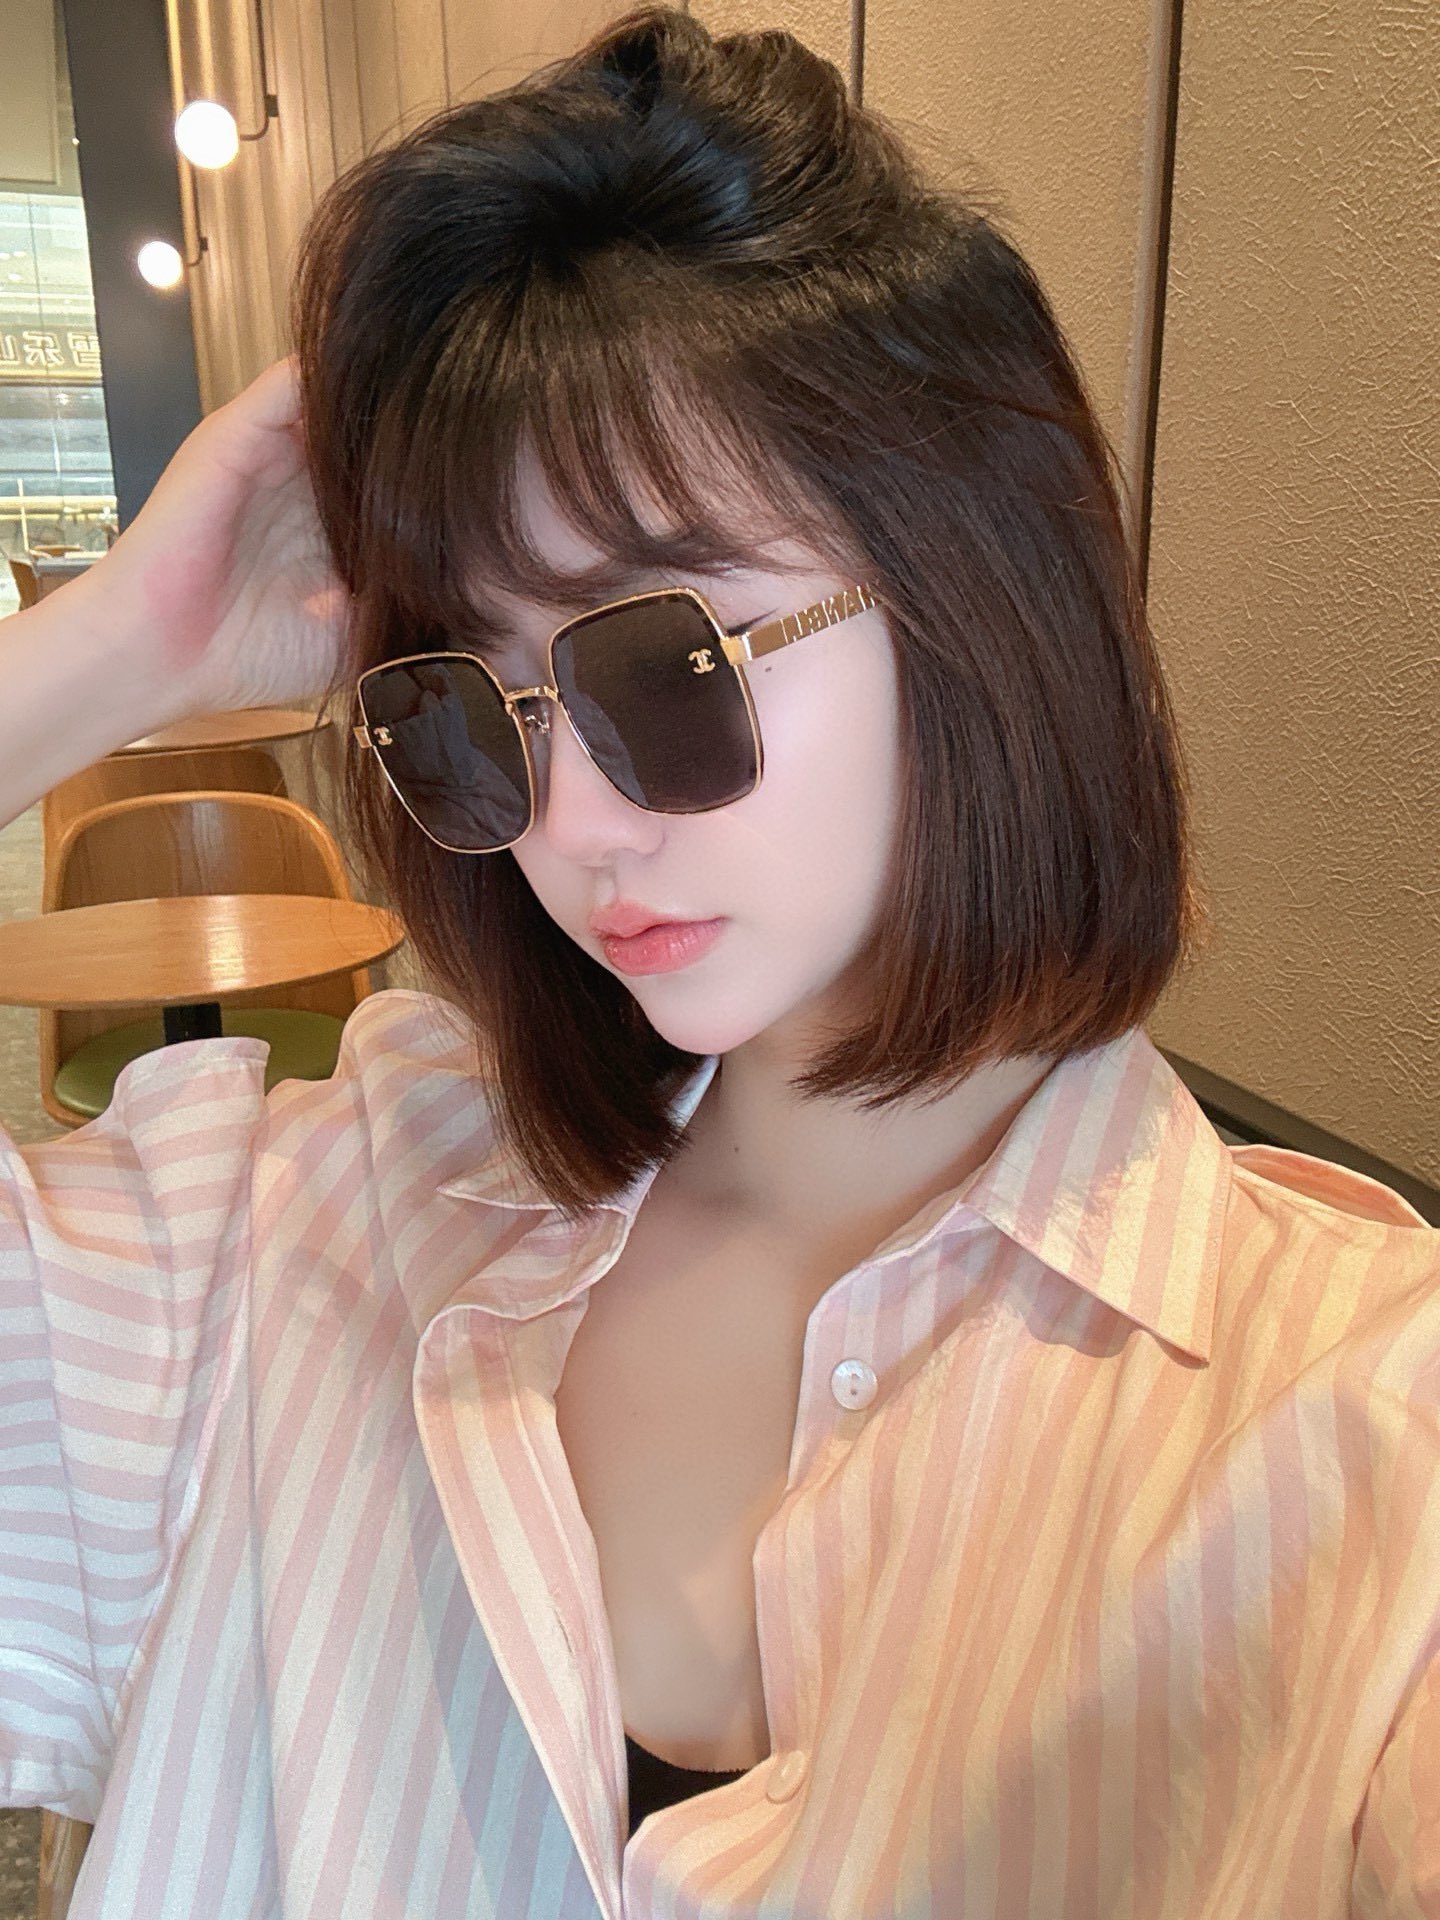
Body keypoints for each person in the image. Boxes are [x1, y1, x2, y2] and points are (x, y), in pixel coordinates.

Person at [1, 8, 1436, 1916]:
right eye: (469, 711)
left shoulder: (1366, 1427)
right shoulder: (291, 1237)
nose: (573, 824)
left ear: (979, 594)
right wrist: (119, 648)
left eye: (664, 663)